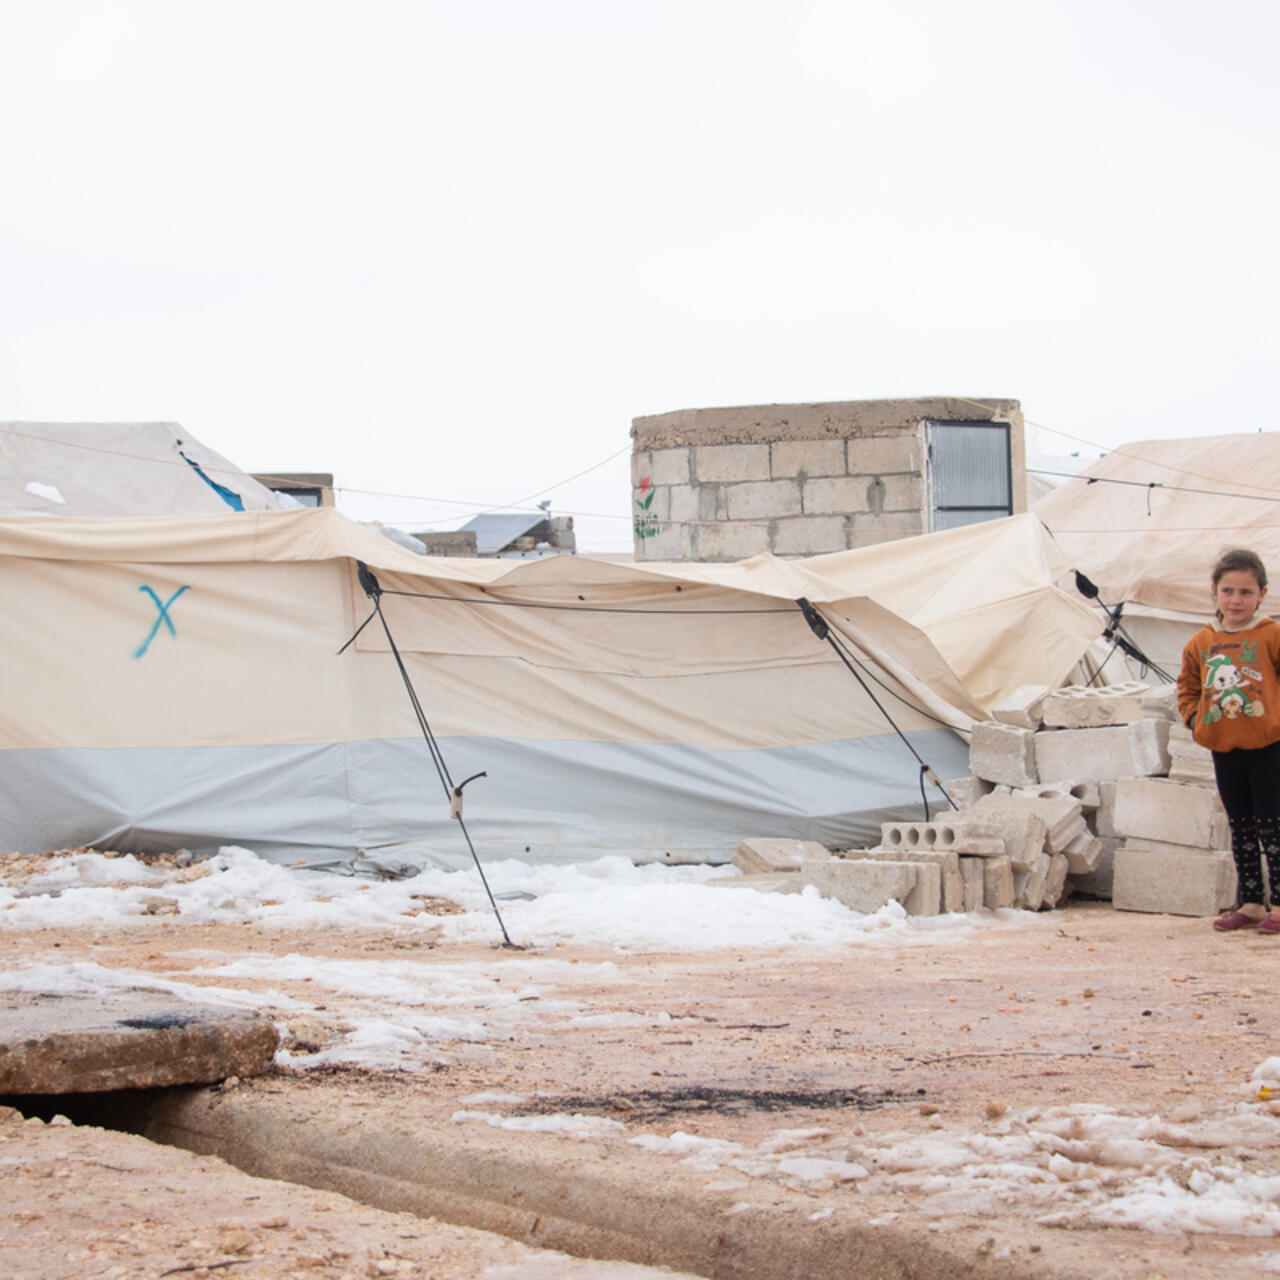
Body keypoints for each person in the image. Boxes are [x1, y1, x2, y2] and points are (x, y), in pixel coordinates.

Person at [1177, 548, 1280, 931]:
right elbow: (1186, 684)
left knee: (1273, 826)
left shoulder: (1271, 636)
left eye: (1246, 592)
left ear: (1262, 594)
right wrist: (1194, 718)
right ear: (1215, 592)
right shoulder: (1202, 642)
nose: (1236, 600)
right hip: (1225, 747)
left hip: (1269, 747)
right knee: (1240, 827)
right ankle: (1251, 903)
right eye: (1228, 591)